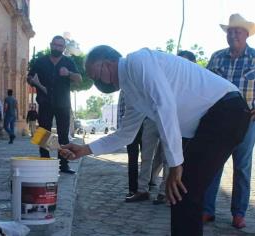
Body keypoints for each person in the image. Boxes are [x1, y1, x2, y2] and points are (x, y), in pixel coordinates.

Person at [60, 45, 250, 235]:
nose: (97, 83)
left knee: (182, 190)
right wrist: (84, 149)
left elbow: (165, 106)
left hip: (227, 111)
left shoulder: (137, 61)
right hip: (215, 119)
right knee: (182, 192)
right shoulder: (131, 89)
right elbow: (126, 134)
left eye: (96, 76)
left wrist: (176, 165)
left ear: (108, 64)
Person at [203, 13, 255, 229]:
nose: (233, 34)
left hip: (246, 120)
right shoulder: (216, 58)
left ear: (246, 34)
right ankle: (207, 210)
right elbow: (202, 84)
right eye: (230, 31)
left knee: (242, 168)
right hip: (219, 120)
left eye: (238, 31)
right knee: (213, 165)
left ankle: (239, 213)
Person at [27, 35, 82, 174]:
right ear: (51, 45)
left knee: (63, 135)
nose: (57, 47)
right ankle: (45, 162)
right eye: (55, 45)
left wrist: (68, 73)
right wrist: (33, 82)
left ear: (63, 48)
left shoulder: (68, 62)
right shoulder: (40, 61)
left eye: (60, 46)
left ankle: (63, 165)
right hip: (44, 102)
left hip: (62, 103)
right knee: (43, 133)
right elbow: (29, 76)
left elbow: (79, 78)